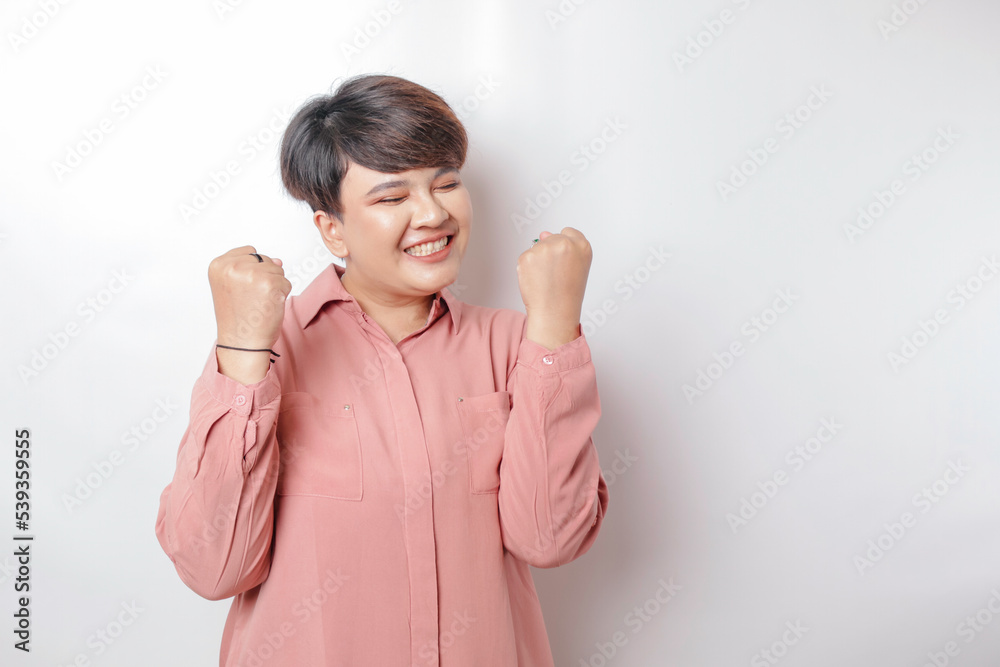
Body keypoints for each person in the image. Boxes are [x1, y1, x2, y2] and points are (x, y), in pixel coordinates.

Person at [155, 73, 609, 666]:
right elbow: (213, 568)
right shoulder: (266, 353)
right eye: (392, 198)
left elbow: (550, 539)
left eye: (446, 183)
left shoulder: (518, 346)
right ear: (332, 229)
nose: (433, 213)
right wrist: (242, 350)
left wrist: (554, 326)